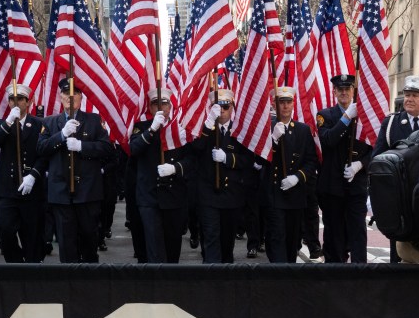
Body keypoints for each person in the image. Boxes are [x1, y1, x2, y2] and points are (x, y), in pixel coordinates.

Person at [39, 77, 113, 263]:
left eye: (74, 94)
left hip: (87, 191)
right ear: (60, 97)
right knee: (66, 243)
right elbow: (41, 149)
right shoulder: (49, 122)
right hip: (61, 192)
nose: (70, 97)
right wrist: (61, 135)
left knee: (89, 239)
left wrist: (82, 146)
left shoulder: (94, 121)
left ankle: (89, 282)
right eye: (66, 93)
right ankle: (69, 284)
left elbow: (107, 149)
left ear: (81, 97)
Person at [129, 86, 192, 263]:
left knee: (173, 247)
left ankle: (171, 286)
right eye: (155, 104)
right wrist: (152, 129)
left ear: (170, 106)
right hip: (149, 197)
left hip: (174, 196)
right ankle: (156, 286)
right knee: (154, 248)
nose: (160, 107)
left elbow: (192, 159)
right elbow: (133, 149)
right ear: (150, 108)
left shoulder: (179, 127)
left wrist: (176, 168)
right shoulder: (141, 127)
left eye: (164, 103)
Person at [375, 75, 419, 263]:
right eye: (407, 94)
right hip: (399, 193)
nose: (409, 99)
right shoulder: (391, 123)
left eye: (415, 95)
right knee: (399, 241)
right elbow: (379, 157)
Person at [315, 74, 372, 263]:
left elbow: (374, 148)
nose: (344, 93)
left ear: (353, 91)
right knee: (334, 232)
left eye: (348, 89)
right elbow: (329, 140)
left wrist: (360, 164)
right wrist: (347, 117)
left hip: (356, 185)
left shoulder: (365, 116)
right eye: (340, 90)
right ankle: (336, 270)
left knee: (357, 230)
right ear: (334, 92)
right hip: (333, 186)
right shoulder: (326, 115)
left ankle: (360, 271)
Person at [192, 88, 253, 263]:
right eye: (217, 107)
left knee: (227, 242)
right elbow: (196, 149)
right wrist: (208, 123)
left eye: (225, 107)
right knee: (211, 238)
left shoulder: (239, 130)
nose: (222, 111)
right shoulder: (205, 129)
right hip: (208, 194)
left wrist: (228, 158)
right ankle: (211, 279)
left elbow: (248, 160)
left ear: (232, 108)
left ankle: (226, 277)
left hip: (232, 194)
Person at [0, 84, 47, 263]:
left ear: (28, 102)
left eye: (20, 99)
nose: (16, 103)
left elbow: (44, 154)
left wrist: (34, 175)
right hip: (7, 189)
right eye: (12, 99)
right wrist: (7, 124)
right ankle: (14, 262)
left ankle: (31, 268)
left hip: (31, 189)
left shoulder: (39, 124)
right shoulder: (0, 124)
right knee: (4, 229)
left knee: (32, 235)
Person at [261, 86, 319, 263]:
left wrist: (298, 177)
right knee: (276, 238)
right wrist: (273, 140)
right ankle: (278, 277)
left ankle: (289, 275)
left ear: (293, 104)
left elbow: (311, 161)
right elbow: (259, 160)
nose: (285, 106)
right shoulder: (266, 129)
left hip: (295, 194)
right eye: (281, 102)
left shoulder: (302, 130)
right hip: (274, 193)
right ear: (274, 104)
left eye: (288, 102)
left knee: (292, 240)